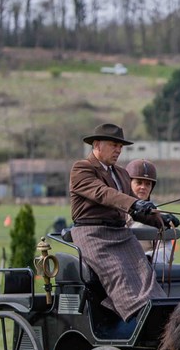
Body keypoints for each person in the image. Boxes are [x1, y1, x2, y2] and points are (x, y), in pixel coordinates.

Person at [69, 123, 167, 323]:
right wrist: (135, 203)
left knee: (144, 270)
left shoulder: (121, 173)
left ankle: (157, 317)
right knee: (119, 274)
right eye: (114, 145)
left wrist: (161, 219)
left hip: (120, 233)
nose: (118, 150)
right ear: (97, 145)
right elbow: (104, 194)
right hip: (92, 234)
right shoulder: (82, 169)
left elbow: (138, 210)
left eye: (120, 146)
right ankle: (133, 320)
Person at [126, 158, 179, 264]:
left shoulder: (158, 215)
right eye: (139, 183)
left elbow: (167, 251)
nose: (143, 187)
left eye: (147, 184)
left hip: (145, 269)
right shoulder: (116, 210)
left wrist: (147, 259)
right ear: (128, 183)